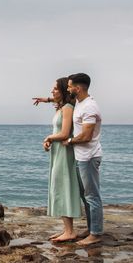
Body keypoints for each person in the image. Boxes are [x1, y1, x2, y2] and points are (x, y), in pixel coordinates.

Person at [34, 78, 82, 242]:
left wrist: (49, 137)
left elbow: (65, 133)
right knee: (59, 187)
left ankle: (70, 231)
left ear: (63, 91)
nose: (51, 92)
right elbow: (58, 132)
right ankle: (67, 230)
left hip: (64, 152)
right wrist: (49, 141)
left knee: (63, 187)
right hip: (58, 151)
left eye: (55, 89)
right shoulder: (61, 107)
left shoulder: (68, 108)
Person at [62, 73, 103, 246]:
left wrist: (70, 141)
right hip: (81, 157)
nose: (68, 89)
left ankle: (96, 233)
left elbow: (86, 136)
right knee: (85, 196)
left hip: (89, 157)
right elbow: (63, 101)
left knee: (92, 196)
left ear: (77, 88)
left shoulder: (90, 107)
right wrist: (47, 99)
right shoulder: (80, 103)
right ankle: (90, 228)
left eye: (70, 86)